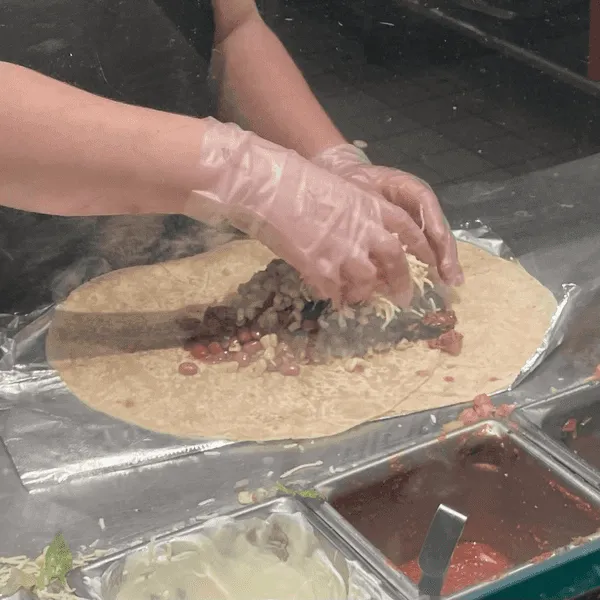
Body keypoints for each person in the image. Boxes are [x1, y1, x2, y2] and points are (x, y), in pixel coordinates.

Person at [0, 0, 462, 307]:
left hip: (186, 263)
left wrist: (329, 161)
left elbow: (234, 29)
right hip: (19, 279)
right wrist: (240, 172)